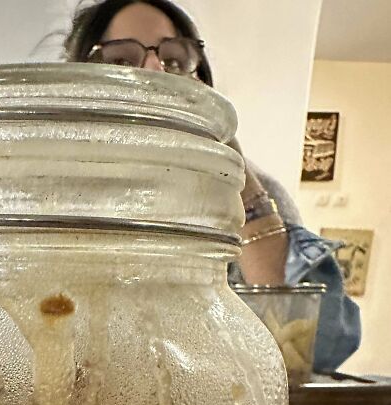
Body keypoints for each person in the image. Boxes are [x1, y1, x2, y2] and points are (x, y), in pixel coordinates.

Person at [63, 0, 361, 372]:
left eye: (173, 60)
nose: (155, 68)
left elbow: (317, 349)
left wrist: (233, 169)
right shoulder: (51, 193)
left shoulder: (252, 193)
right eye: (121, 60)